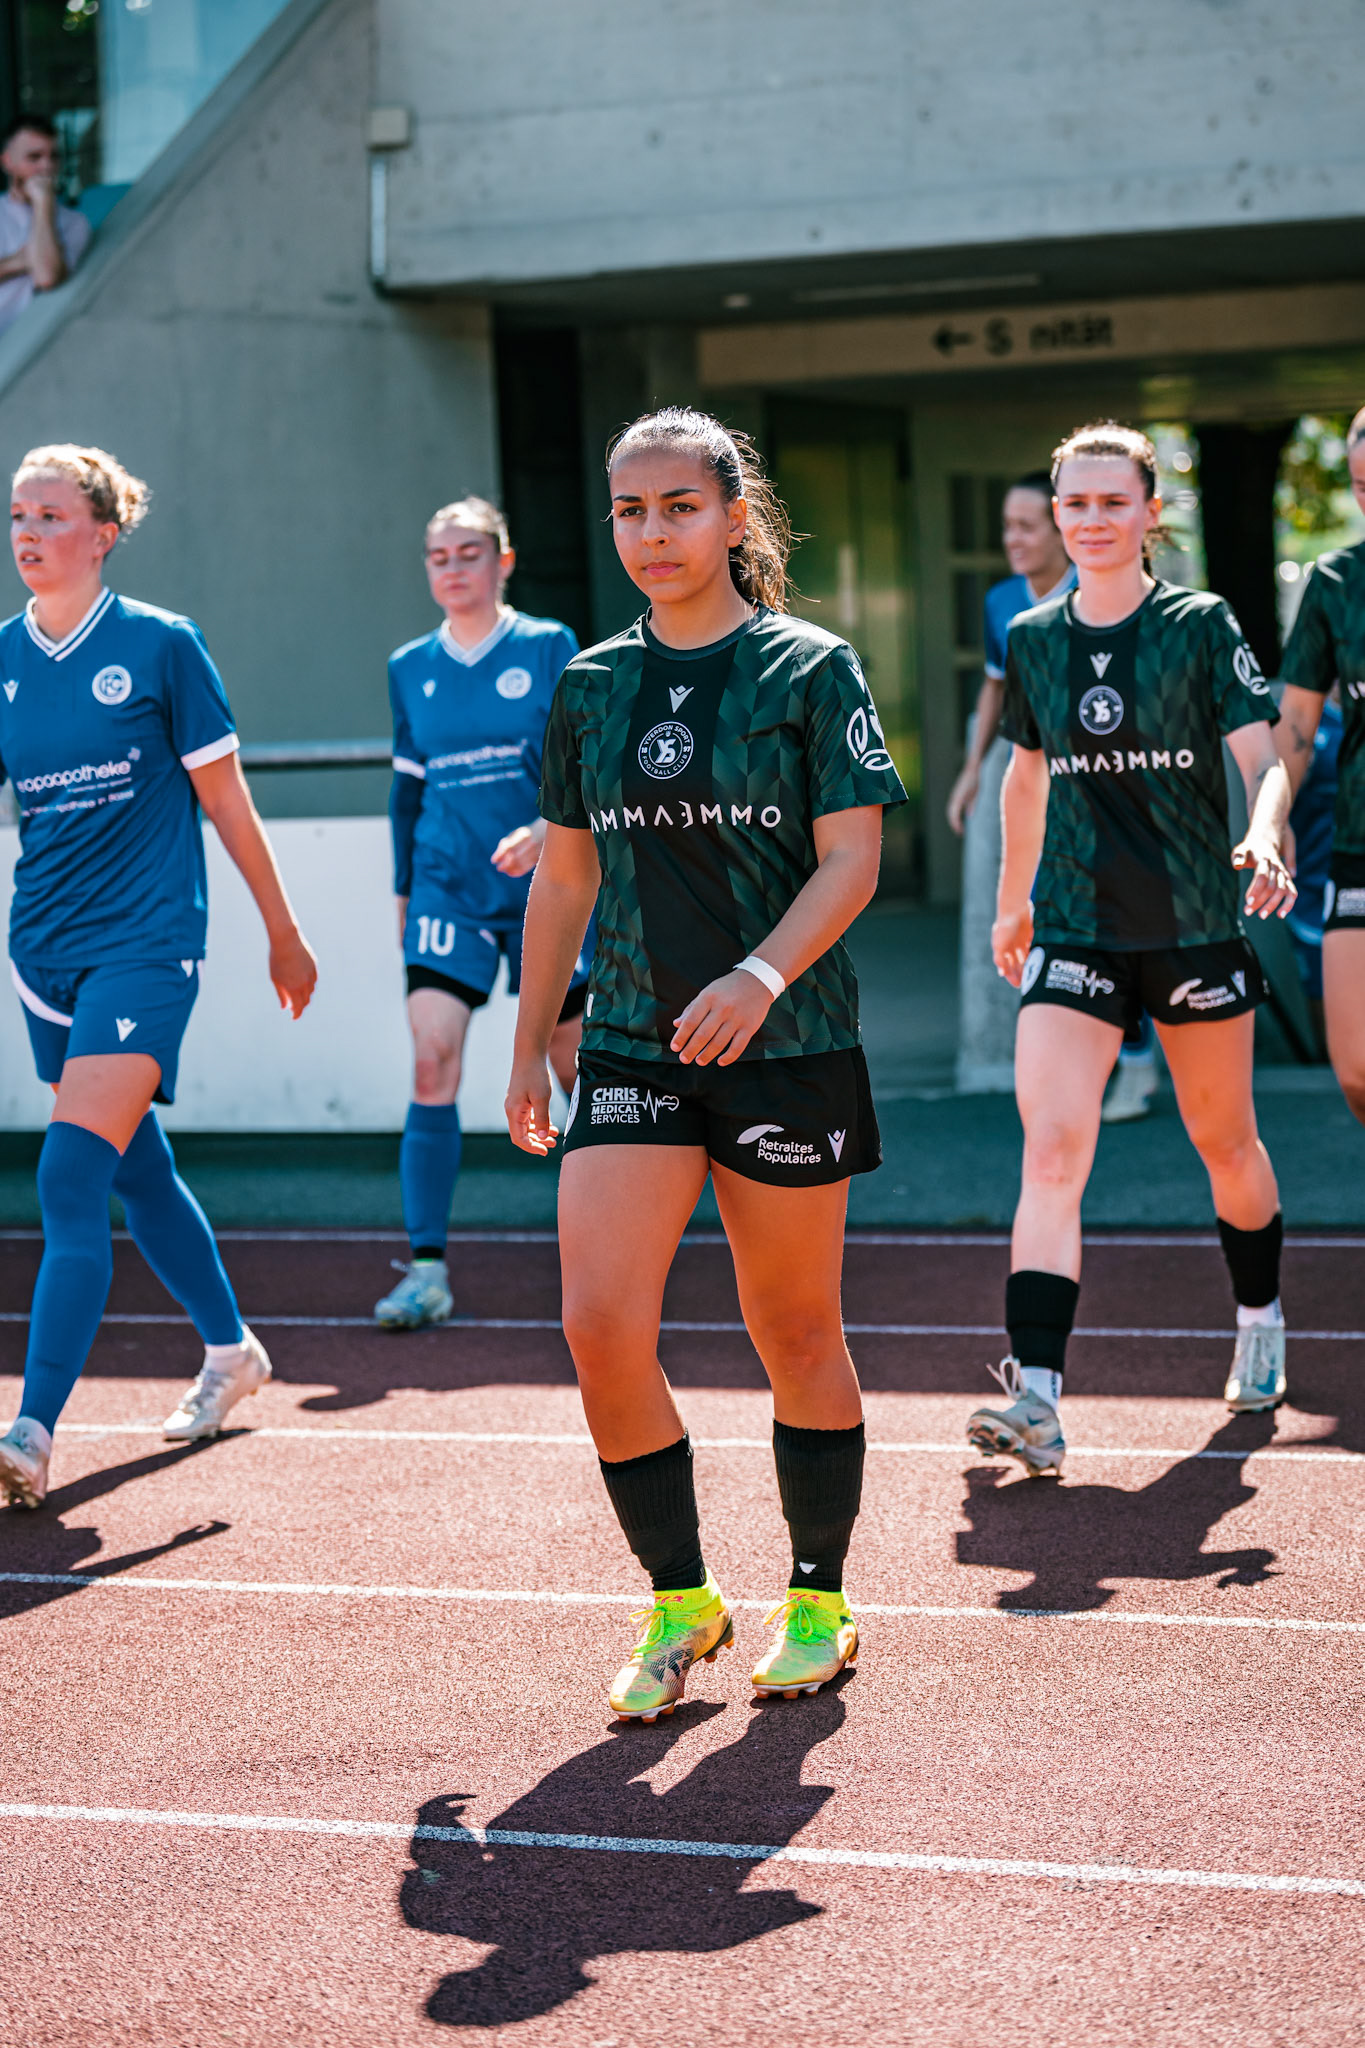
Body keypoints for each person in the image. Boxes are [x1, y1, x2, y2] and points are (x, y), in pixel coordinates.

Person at [506, 406, 906, 1719]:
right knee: (597, 1324)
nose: (652, 532)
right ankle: (681, 1599)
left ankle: (819, 1599)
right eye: (629, 509)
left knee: (793, 1327)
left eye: (679, 506)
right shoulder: (590, 685)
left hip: (787, 1043)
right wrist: (530, 1044)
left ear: (735, 517)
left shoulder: (810, 668)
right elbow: (566, 878)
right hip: (632, 1041)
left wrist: (759, 975)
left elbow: (853, 857)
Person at [967, 421, 1296, 1481]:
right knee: (1052, 1152)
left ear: (1151, 512)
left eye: (1114, 502)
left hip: (1192, 925)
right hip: (1075, 927)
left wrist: (1265, 831)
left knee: (1224, 1144)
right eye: (1076, 503)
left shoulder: (1198, 624)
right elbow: (1025, 778)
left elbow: (1265, 758)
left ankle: (1259, 1315)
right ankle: (1037, 1397)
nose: (1092, 520)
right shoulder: (1035, 637)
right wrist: (1012, 906)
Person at [0, 445, 317, 1508]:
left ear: (103, 532)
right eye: (17, 514)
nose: (28, 532)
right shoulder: (3, 658)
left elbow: (227, 800)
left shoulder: (162, 644)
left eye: (50, 514)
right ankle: (232, 1350)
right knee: (135, 1169)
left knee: (68, 1178)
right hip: (42, 954)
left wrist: (282, 930)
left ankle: (31, 1430)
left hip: (145, 946)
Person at [375, 497, 585, 1330]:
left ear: (503, 562)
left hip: (546, 888)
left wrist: (546, 830)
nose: (453, 568)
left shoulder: (546, 645)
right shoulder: (408, 666)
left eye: (469, 553)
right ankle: (426, 1270)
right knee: (432, 1061)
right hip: (446, 890)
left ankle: (612, 1246)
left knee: (577, 1068)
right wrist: (404, 893)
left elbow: (585, 763)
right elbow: (406, 792)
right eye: (439, 556)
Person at [1273, 404, 1365, 1124]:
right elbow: (1298, 721)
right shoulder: (1335, 580)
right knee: (1357, 1067)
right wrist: (1271, 818)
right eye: (1361, 485)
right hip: (1355, 842)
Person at [944, 471, 1074, 836]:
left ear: (1061, 528)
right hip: (1021, 758)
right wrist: (973, 769)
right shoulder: (1000, 599)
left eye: (1026, 527)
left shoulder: (1093, 591)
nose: (1011, 539)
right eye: (1007, 526)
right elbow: (996, 684)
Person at [0, 116, 91, 340]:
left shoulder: (75, 223)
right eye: (34, 157)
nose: (47, 167)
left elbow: (46, 276)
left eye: (54, 157)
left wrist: (43, 204)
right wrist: (20, 261)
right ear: (8, 162)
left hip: (37, 347)